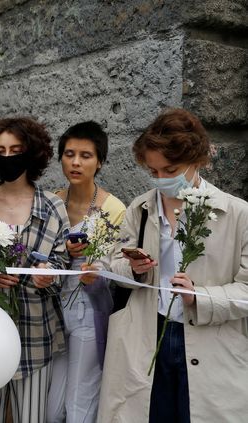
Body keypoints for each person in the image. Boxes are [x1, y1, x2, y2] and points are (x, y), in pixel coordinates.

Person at [99, 109, 248, 422]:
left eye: (171, 170)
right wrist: (134, 269)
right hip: (146, 335)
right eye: (153, 172)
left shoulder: (237, 215)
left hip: (212, 343)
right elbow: (112, 264)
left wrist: (200, 297)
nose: (162, 180)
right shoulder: (139, 209)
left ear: (197, 159)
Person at [0, 117, 70, 423]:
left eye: (15, 149)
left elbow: (63, 265)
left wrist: (49, 276)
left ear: (31, 153)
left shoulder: (53, 206)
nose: (8, 157)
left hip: (35, 334)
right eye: (0, 150)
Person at [46, 121, 126, 423]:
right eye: (69, 154)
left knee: (80, 401)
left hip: (88, 309)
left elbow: (121, 264)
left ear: (100, 161)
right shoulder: (52, 200)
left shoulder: (115, 209)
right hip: (52, 311)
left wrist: (99, 268)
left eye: (85, 155)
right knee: (51, 408)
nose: (76, 162)